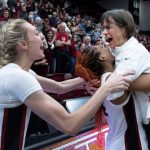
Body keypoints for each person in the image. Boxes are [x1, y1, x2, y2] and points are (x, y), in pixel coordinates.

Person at [0, 19, 131, 150]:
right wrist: (106, 87)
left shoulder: (20, 72)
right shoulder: (18, 77)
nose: (42, 36)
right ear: (23, 44)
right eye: (36, 33)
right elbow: (70, 125)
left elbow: (60, 88)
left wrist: (90, 78)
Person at [75, 45, 149, 150]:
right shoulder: (112, 80)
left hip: (116, 142)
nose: (107, 47)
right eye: (102, 47)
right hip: (128, 143)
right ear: (102, 57)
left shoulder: (104, 80)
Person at [100, 9, 150, 148]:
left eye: (108, 27)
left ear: (124, 30)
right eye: (103, 28)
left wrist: (101, 76)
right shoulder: (114, 50)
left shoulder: (135, 51)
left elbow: (113, 89)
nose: (104, 32)